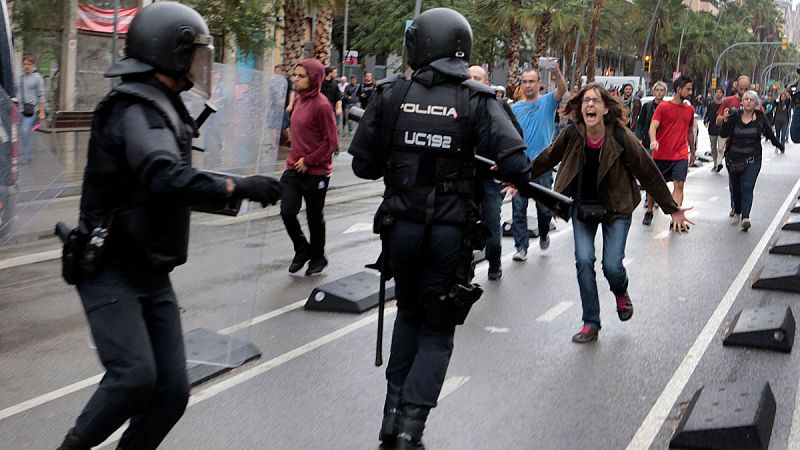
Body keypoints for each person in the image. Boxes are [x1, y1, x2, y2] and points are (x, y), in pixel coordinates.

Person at [56, 4, 283, 449]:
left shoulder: (164, 104)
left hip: (150, 270)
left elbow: (169, 189)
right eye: (194, 53)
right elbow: (163, 174)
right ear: (169, 52)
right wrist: (237, 186)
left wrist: (234, 192)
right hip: (110, 266)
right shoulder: (134, 108)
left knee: (172, 393)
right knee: (133, 377)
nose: (200, 63)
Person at [349, 8, 532, 448]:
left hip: (399, 229)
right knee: (437, 326)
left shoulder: (391, 94)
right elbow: (518, 164)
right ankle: (410, 430)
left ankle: (391, 418)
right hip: (449, 233)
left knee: (408, 313)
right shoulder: (478, 99)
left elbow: (362, 166)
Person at [530, 83, 692, 343]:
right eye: (585, 101)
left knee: (612, 266)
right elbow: (547, 158)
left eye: (595, 101)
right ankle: (590, 322)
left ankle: (620, 292)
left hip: (616, 207)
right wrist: (518, 177)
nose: (589, 105)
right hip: (583, 206)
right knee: (584, 261)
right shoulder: (572, 133)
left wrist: (671, 208)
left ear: (605, 109)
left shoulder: (620, 135)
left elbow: (648, 171)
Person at [281, 58, 338, 275]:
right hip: (293, 167)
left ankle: (318, 257)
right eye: (295, 75)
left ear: (314, 78)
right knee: (287, 211)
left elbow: (331, 142)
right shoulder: (299, 100)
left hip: (317, 171)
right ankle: (302, 248)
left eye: (301, 76)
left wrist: (309, 160)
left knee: (314, 216)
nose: (295, 79)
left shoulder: (322, 105)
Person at [509, 65, 567, 261]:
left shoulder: (548, 102)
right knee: (518, 209)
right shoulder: (515, 109)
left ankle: (543, 233)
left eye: (531, 81)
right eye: (524, 82)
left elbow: (562, 88)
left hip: (542, 167)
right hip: (520, 166)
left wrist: (556, 71)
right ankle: (521, 248)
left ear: (539, 84)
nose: (527, 85)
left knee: (544, 209)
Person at [469, 64, 520, 280]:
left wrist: (503, 162)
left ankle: (494, 262)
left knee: (491, 223)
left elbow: (515, 136)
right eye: (469, 77)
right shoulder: (456, 104)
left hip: (490, 178)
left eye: (478, 78)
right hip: (464, 178)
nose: (473, 81)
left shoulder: (498, 106)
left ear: (487, 83)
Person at [720, 90, 783, 231]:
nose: (748, 101)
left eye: (751, 99)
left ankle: (745, 218)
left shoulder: (760, 118)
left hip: (752, 159)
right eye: (746, 99)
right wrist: (726, 120)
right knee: (736, 188)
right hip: (733, 159)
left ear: (756, 104)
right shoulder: (735, 116)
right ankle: (737, 211)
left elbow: (769, 134)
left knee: (747, 186)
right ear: (742, 102)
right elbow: (723, 134)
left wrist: (779, 145)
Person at [644, 75, 696, 231]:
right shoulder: (663, 107)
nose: (691, 92)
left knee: (679, 185)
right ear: (679, 89)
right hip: (661, 155)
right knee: (655, 187)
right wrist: (653, 141)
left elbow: (690, 132)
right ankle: (649, 211)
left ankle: (675, 218)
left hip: (680, 155)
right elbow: (653, 126)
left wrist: (692, 151)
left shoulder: (690, 109)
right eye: (688, 89)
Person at [16, 55, 46, 164]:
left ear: (33, 65)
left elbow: (41, 95)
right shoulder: (19, 78)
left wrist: (42, 112)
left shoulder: (37, 78)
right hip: (20, 110)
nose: (27, 66)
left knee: (25, 130)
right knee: (22, 132)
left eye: (29, 64)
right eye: (25, 64)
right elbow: (15, 92)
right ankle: (25, 153)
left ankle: (27, 156)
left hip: (32, 110)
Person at [703, 87, 725, 172]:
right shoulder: (711, 105)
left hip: (722, 129)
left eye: (720, 92)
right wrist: (706, 121)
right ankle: (715, 163)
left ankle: (719, 163)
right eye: (717, 92)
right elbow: (707, 115)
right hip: (712, 129)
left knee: (720, 148)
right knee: (713, 148)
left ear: (722, 94)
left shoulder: (724, 105)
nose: (718, 94)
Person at [321, 66, 343, 132]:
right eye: (335, 73)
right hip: (321, 111)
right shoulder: (320, 84)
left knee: (331, 129)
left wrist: (339, 108)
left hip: (332, 111)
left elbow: (338, 98)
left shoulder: (335, 85)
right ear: (330, 73)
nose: (336, 74)